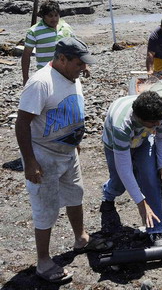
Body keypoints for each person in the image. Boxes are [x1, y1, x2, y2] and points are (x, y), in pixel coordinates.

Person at [15, 38, 112, 284]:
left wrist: (75, 141)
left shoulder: (72, 77)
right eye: (79, 63)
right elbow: (22, 122)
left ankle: (80, 238)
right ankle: (43, 261)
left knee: (75, 195)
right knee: (45, 208)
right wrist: (30, 161)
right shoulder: (40, 83)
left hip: (68, 152)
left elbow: (70, 110)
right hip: (44, 155)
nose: (83, 68)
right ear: (61, 59)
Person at [100, 90, 162, 246]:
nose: (158, 124)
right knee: (119, 181)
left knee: (150, 178)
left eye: (159, 120)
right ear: (140, 118)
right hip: (115, 143)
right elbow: (124, 169)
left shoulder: (161, 114)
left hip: (143, 140)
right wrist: (141, 204)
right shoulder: (122, 125)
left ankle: (155, 229)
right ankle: (108, 194)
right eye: (154, 122)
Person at [21, 0, 76, 86]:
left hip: (67, 74)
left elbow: (76, 48)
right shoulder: (34, 31)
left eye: (56, 15)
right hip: (46, 76)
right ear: (43, 16)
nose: (54, 19)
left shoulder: (66, 27)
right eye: (50, 16)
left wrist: (83, 66)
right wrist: (25, 77)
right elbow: (26, 55)